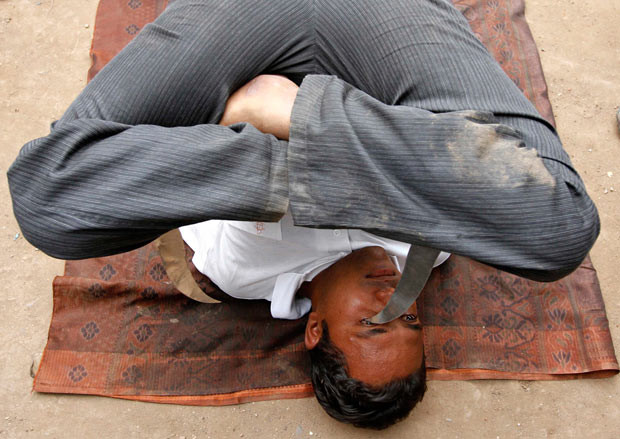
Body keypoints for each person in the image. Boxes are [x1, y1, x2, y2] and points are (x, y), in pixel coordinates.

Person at [7, 0, 599, 429]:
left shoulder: (237, 270)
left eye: (373, 323)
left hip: (240, 21)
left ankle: (296, 130)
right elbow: (526, 193)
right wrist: (306, 126)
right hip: (387, 23)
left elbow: (155, 172)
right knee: (561, 229)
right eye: (410, 321)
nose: (395, 301)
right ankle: (296, 118)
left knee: (46, 204)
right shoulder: (436, 246)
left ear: (314, 328)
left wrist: (257, 154)